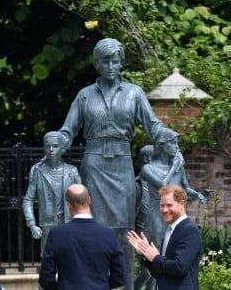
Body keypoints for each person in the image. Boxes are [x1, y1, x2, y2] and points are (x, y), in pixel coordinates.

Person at [58, 38, 174, 289]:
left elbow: (153, 125)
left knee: (124, 230)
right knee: (93, 229)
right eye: (105, 61)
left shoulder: (134, 92)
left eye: (115, 60)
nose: (111, 65)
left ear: (121, 62)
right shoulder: (85, 95)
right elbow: (68, 131)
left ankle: (127, 286)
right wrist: (58, 140)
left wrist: (167, 136)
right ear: (96, 63)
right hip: (94, 164)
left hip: (121, 165)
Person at [136, 127, 206, 289]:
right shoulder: (148, 169)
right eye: (173, 143)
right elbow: (163, 185)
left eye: (177, 143)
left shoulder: (187, 230)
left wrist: (198, 194)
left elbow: (185, 188)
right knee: (151, 266)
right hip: (155, 216)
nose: (177, 147)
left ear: (181, 204)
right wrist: (148, 256)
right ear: (161, 145)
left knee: (160, 257)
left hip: (169, 216)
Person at [39, 184, 127, 290]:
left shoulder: (56, 234)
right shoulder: (109, 234)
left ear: (68, 205)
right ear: (89, 201)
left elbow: (46, 278)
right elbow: (120, 277)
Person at [127, 184, 202, 290]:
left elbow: (179, 267)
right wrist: (145, 254)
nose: (164, 210)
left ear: (181, 204)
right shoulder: (170, 231)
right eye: (162, 205)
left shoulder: (190, 230)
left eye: (169, 205)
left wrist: (155, 257)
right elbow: (161, 273)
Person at [23, 131, 81, 256]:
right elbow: (28, 200)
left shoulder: (72, 171)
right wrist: (32, 224)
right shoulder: (38, 171)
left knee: (71, 261)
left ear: (62, 148)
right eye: (47, 146)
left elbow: (82, 201)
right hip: (48, 225)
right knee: (48, 263)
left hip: (70, 224)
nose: (51, 149)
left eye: (55, 146)